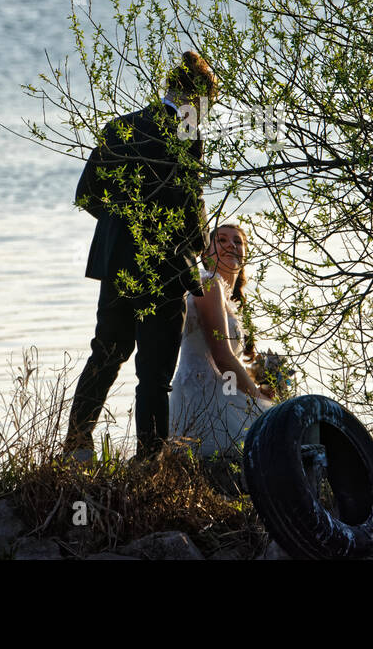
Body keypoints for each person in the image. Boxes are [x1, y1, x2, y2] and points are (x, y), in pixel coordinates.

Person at [64, 50, 217, 459]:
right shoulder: (187, 133)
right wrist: (200, 245)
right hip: (165, 268)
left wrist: (123, 228)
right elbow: (190, 204)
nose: (204, 116)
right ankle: (150, 459)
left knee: (107, 352)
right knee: (153, 373)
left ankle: (77, 445)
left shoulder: (119, 128)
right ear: (197, 99)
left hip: (117, 264)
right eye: (207, 107)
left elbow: (86, 196)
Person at [169, 223, 276, 457]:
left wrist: (249, 392)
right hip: (201, 397)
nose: (231, 245)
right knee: (277, 429)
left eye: (238, 241)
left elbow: (226, 373)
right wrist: (256, 397)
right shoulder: (208, 283)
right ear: (206, 253)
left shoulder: (229, 298)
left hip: (219, 394)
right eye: (222, 240)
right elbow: (222, 358)